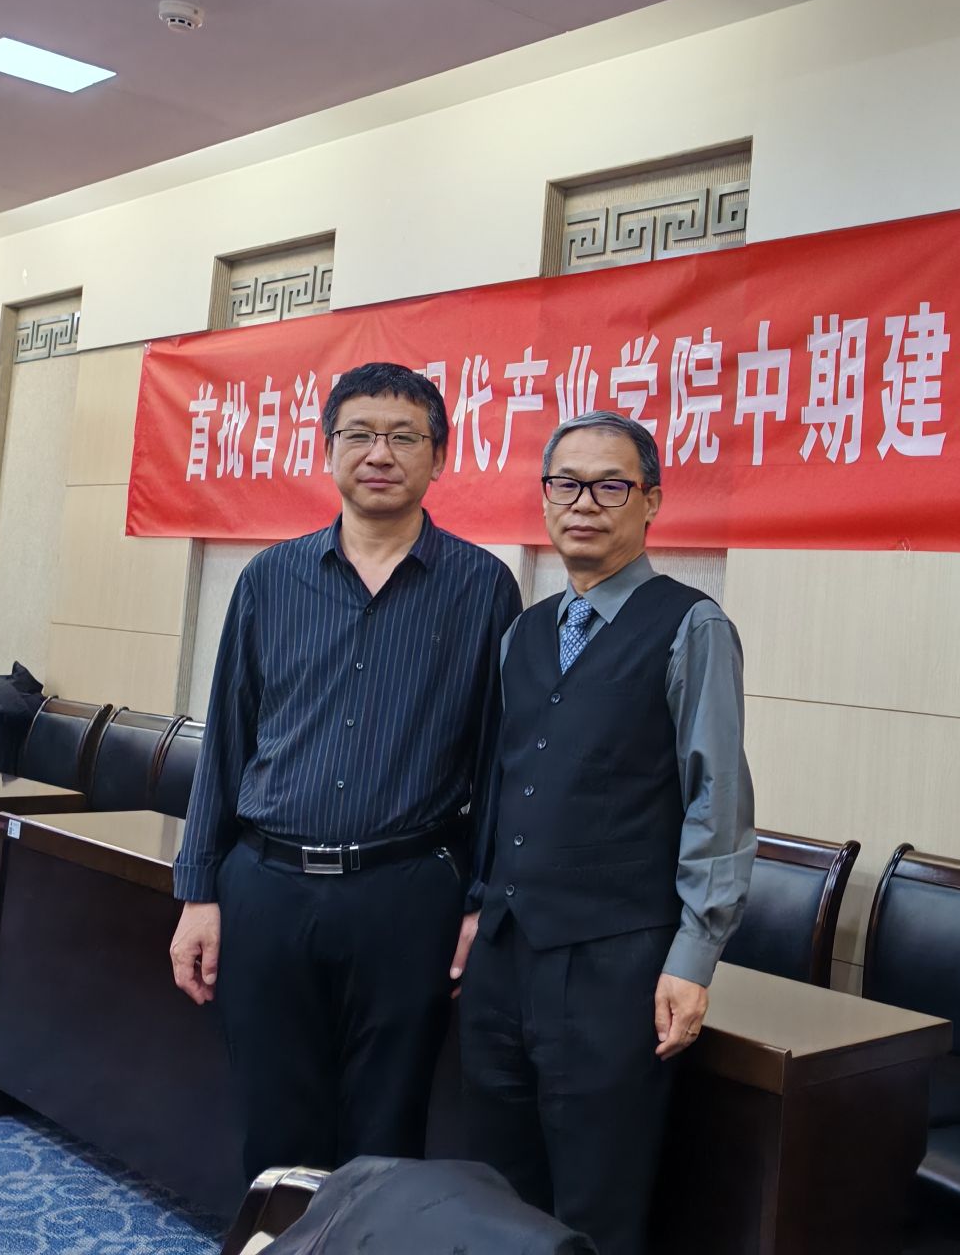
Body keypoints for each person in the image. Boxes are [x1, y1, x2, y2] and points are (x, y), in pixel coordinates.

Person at [168, 361, 522, 1181]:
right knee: (274, 1117)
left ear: (441, 456)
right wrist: (198, 892)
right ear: (328, 450)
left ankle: (364, 1240)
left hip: (408, 895)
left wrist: (481, 902)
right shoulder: (270, 579)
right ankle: (282, 1238)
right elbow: (227, 743)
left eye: (404, 437)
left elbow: (498, 764)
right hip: (267, 888)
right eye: (359, 434)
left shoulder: (482, 588)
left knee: (387, 1126)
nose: (380, 453)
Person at [460, 409, 755, 1255]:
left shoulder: (692, 626)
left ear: (651, 501)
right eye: (566, 484)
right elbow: (506, 783)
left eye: (610, 486)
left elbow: (717, 799)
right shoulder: (525, 631)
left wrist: (694, 956)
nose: (583, 503)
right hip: (505, 955)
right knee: (498, 1188)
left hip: (614, 965)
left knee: (598, 1201)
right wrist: (479, 905)